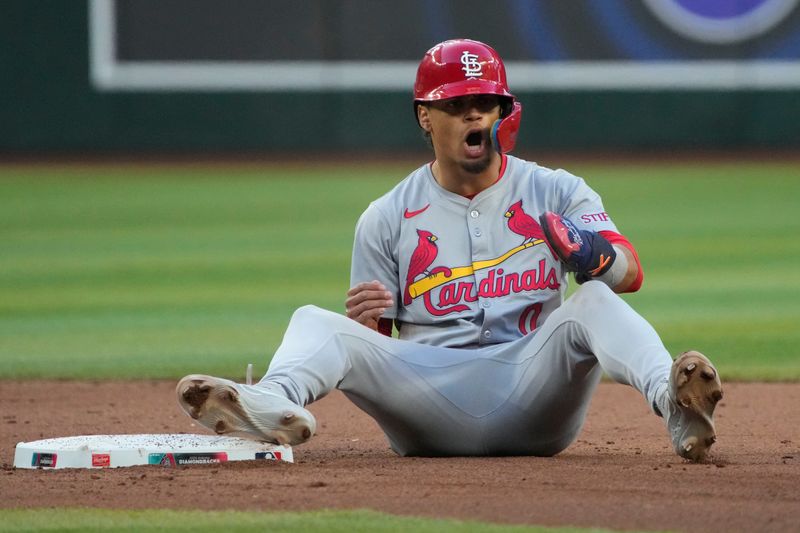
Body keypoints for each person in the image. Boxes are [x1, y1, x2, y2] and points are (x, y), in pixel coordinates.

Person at [176, 39, 722, 461]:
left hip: (536, 389)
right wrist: (370, 326)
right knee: (315, 322)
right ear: (424, 117)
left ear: (503, 112)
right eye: (458, 104)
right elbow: (374, 353)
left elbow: (630, 274)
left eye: (486, 102)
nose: (474, 114)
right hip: (426, 405)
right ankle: (268, 403)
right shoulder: (386, 216)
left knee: (594, 303)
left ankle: (674, 403)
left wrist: (591, 255)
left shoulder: (557, 190)